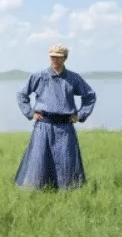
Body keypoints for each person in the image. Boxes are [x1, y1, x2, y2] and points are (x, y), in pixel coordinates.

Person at [15, 43, 97, 190]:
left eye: (59, 57)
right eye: (52, 57)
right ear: (49, 57)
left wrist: (80, 115)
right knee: (39, 159)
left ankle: (68, 189)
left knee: (67, 159)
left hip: (65, 126)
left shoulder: (73, 78)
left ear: (65, 58)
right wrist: (30, 112)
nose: (55, 60)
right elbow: (22, 95)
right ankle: (38, 188)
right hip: (43, 125)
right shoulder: (38, 76)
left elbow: (90, 96)